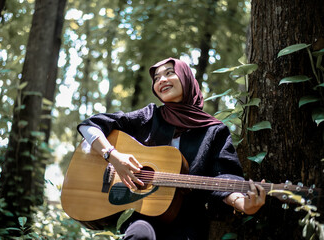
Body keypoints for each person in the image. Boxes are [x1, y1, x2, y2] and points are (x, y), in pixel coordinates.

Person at [77, 57, 266, 240]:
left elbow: (224, 176)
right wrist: (113, 156)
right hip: (143, 214)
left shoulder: (214, 131)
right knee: (139, 235)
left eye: (169, 73)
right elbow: (90, 126)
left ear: (186, 78)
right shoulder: (150, 116)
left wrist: (242, 203)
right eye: (156, 78)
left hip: (187, 221)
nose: (162, 80)